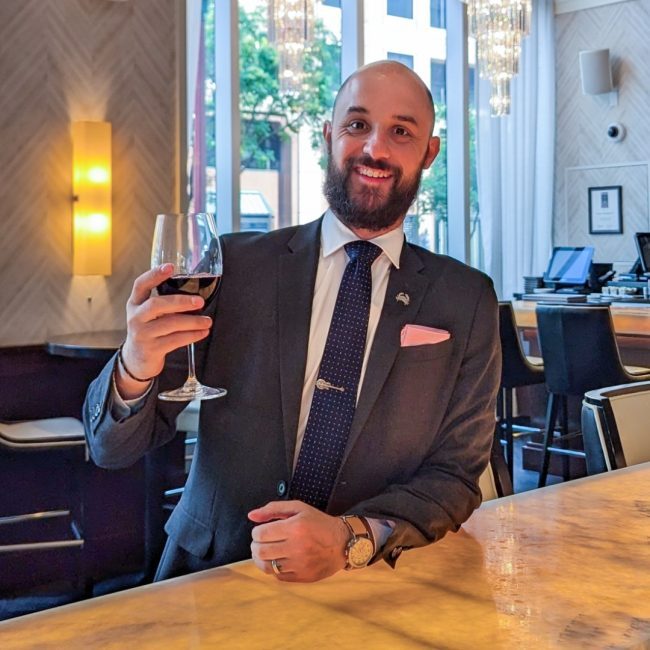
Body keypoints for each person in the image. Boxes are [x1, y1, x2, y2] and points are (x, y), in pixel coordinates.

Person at [84, 60, 500, 584]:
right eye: (357, 125)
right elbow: (111, 449)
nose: (375, 148)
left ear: (429, 153)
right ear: (329, 136)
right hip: (212, 576)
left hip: (372, 585)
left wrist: (353, 537)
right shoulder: (232, 267)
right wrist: (135, 367)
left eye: (401, 132)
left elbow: (456, 478)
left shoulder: (466, 299)